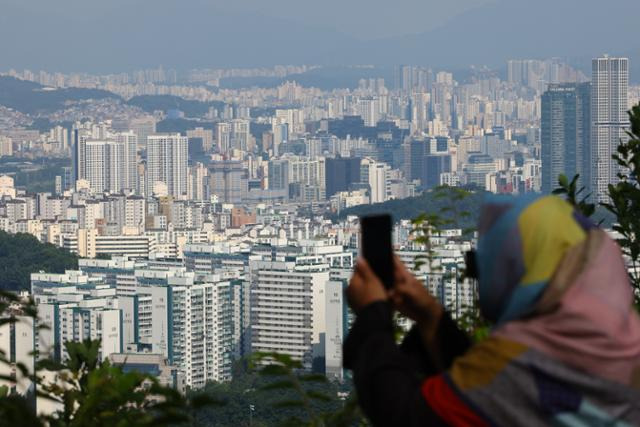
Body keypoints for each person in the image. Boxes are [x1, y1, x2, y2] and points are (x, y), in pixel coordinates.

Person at [344, 195, 640, 426]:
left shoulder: (524, 360)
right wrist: (431, 317)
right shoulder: (624, 344)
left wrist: (373, 313)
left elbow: (405, 414)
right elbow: (477, 393)